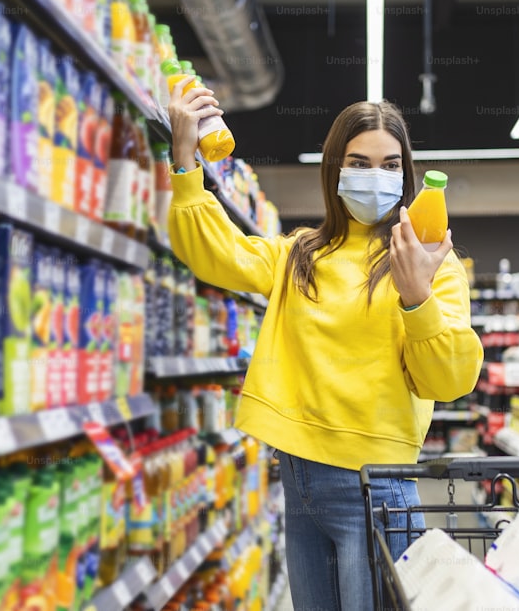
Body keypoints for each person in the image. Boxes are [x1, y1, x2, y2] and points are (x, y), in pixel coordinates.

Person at [166, 80, 483, 611]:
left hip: (375, 489)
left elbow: (449, 381)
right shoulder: (300, 254)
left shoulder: (428, 264)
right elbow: (215, 254)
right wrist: (184, 161)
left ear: (406, 176)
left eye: (389, 165)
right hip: (299, 482)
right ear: (334, 169)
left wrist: (415, 297)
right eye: (358, 162)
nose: (374, 177)